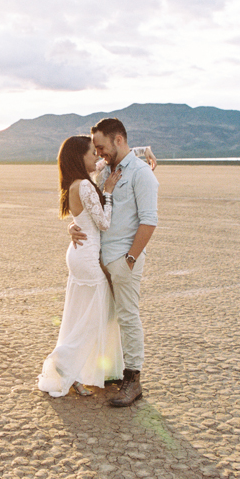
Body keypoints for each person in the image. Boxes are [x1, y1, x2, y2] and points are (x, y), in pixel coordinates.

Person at [69, 118, 159, 407]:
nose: (99, 153)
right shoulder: (105, 169)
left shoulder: (142, 174)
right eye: (95, 149)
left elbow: (149, 221)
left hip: (123, 259)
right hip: (98, 260)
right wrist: (71, 226)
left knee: (128, 316)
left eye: (102, 147)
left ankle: (133, 381)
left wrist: (130, 259)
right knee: (105, 315)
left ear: (118, 140)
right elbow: (86, 205)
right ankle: (109, 371)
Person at [37, 135, 124, 397]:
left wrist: (147, 153)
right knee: (95, 315)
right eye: (91, 153)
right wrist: (107, 192)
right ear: (79, 157)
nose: (97, 157)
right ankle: (62, 366)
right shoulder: (85, 186)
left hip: (79, 253)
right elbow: (103, 223)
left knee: (82, 314)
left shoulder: (76, 182)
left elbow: (104, 163)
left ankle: (78, 372)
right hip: (86, 258)